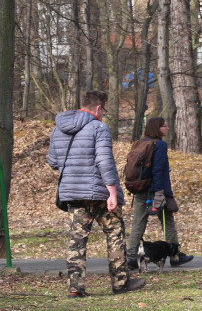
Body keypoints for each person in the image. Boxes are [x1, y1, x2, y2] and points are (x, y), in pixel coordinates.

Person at [48, 90, 146, 297]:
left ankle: (75, 288)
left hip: (72, 194)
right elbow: (104, 162)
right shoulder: (98, 128)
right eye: (105, 109)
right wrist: (112, 193)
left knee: (77, 240)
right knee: (114, 233)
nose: (104, 113)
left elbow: (54, 162)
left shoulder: (58, 130)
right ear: (99, 108)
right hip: (99, 194)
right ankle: (120, 283)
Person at [126, 117, 194, 270]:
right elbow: (157, 171)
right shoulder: (160, 145)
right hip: (156, 190)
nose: (167, 128)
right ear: (157, 129)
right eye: (164, 126)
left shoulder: (140, 143)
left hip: (140, 189)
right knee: (167, 221)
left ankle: (131, 258)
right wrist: (159, 193)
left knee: (138, 223)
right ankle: (175, 255)